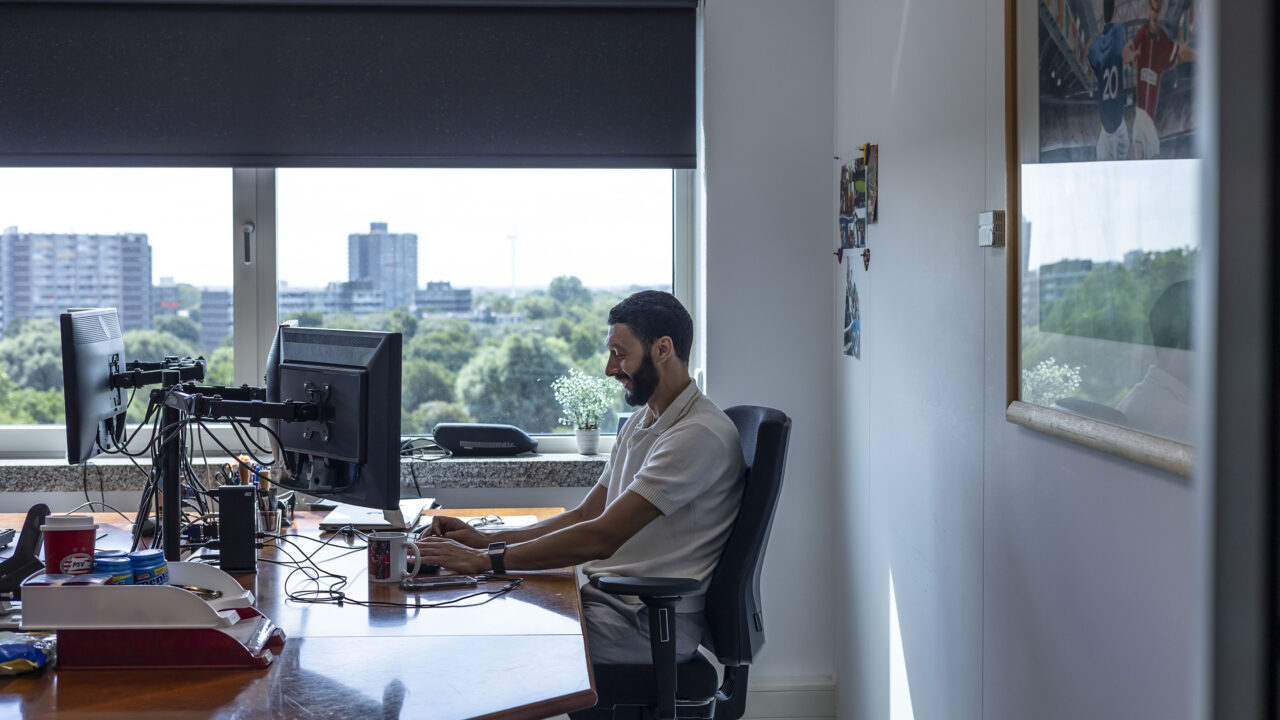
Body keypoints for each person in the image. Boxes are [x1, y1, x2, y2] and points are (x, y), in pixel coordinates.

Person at [415, 290, 745, 665]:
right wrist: (485, 541)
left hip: (648, 622)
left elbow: (602, 536)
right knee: (491, 604)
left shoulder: (697, 434)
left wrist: (481, 561)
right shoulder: (644, 421)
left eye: (620, 355)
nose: (609, 368)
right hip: (614, 602)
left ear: (663, 349)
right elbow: (585, 516)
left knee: (496, 631)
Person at [1122, 0, 1198, 159]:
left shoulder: (1162, 39)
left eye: (1157, 11)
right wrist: (1130, 54)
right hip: (1141, 114)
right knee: (1146, 151)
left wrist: (1200, 55)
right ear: (1149, 9)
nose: (1155, 15)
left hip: (1150, 116)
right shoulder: (1141, 34)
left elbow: (1180, 52)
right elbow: (1127, 54)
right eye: (1153, 10)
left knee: (1151, 153)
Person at [1087, 0, 1130, 161]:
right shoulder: (1118, 31)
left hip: (1106, 124)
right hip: (1118, 123)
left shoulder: (1093, 49)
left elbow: (1092, 56)